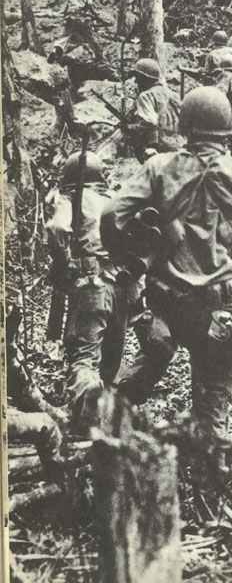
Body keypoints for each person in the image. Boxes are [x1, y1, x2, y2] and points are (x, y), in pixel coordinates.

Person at [100, 86, 232, 456]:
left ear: (185, 127)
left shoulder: (157, 168)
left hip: (166, 307)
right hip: (217, 314)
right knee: (213, 403)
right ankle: (212, 495)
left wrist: (132, 254)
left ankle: (102, 436)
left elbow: (109, 216)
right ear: (227, 131)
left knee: (142, 373)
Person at [46, 151, 138, 432]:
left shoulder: (70, 200)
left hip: (90, 286)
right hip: (121, 287)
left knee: (84, 357)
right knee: (111, 360)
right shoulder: (115, 201)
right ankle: (108, 426)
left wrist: (65, 264)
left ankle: (88, 417)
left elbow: (56, 228)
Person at [126, 58, 182, 162]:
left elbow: (150, 122)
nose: (136, 81)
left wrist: (130, 127)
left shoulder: (146, 96)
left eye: (138, 77)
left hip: (158, 150)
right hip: (179, 147)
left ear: (145, 78)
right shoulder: (174, 95)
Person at [202, 30, 232, 151]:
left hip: (221, 80)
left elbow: (206, 72)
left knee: (217, 105)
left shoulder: (212, 54)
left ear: (214, 41)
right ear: (226, 41)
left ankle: (218, 133)